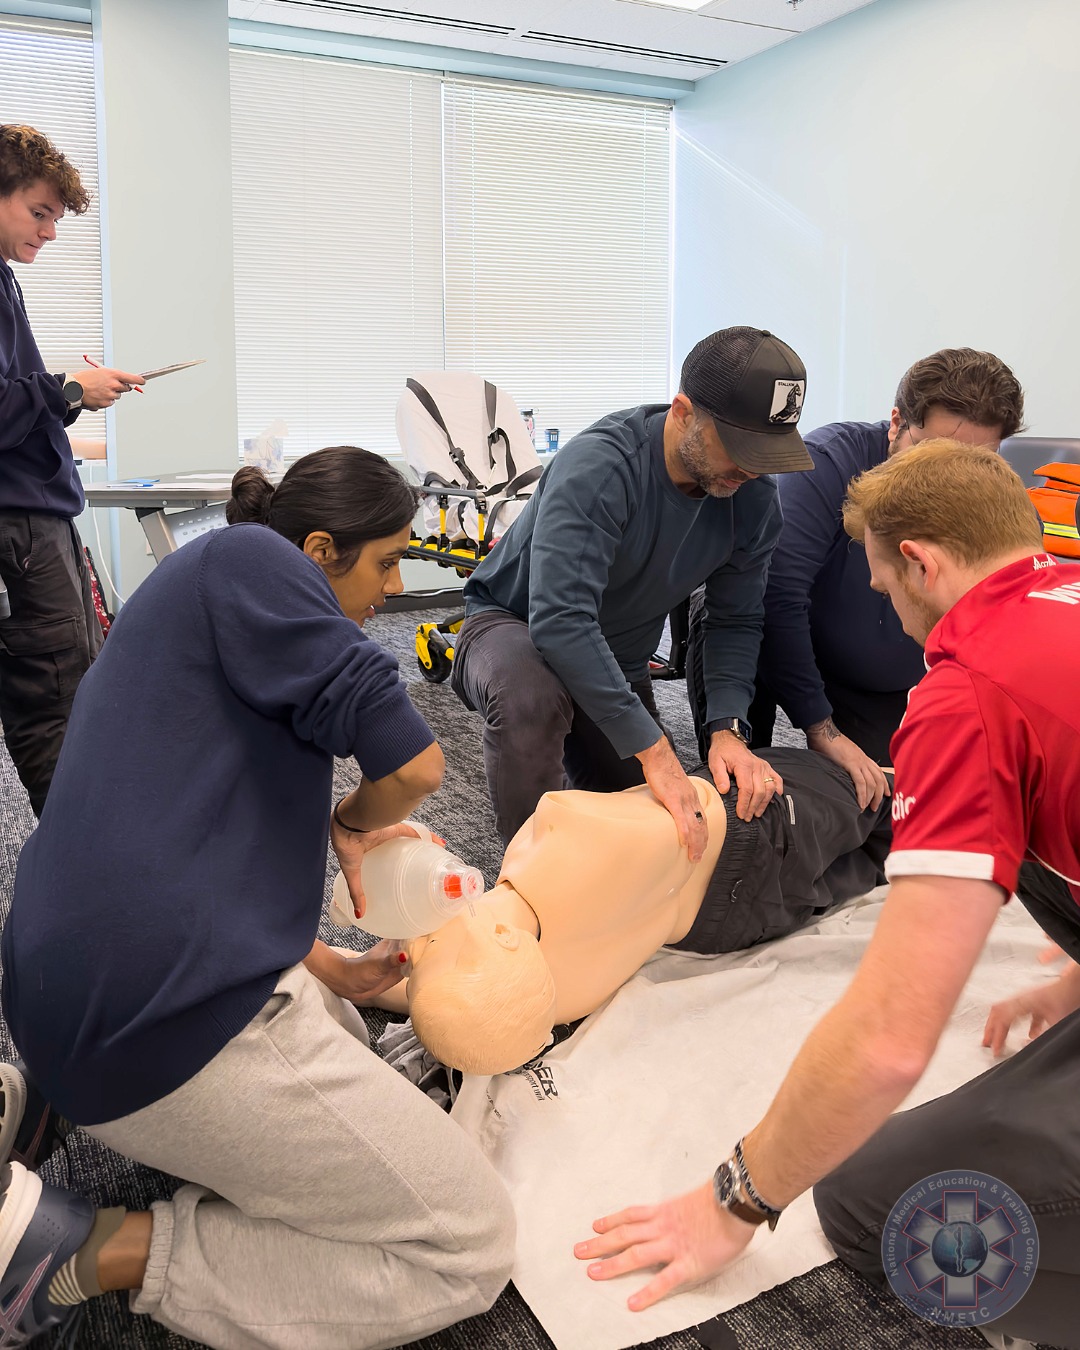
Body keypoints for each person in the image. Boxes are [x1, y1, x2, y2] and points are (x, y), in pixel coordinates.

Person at [0, 447, 514, 1349]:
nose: (394, 590)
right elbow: (418, 763)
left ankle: (53, 1095)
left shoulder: (206, 587)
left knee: (355, 1033)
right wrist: (353, 823)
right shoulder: (259, 563)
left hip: (65, 984)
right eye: (387, 561)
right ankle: (86, 1251)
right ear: (319, 548)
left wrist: (320, 964)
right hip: (143, 1017)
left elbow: (190, 840)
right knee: (470, 1245)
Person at [575, 441, 1080, 1350]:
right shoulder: (1063, 600)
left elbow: (891, 1039)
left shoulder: (969, 691)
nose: (886, 607)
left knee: (873, 1206)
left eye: (885, 586)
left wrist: (734, 1198)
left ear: (921, 560)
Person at [450, 326, 815, 856]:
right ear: (684, 412)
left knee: (650, 830)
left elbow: (734, 619)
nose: (754, 468)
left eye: (769, 452)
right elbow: (561, 622)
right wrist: (656, 750)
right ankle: (530, 883)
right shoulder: (600, 468)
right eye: (741, 448)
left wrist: (727, 727)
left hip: (615, 658)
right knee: (534, 697)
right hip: (513, 626)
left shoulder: (753, 497)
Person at [376, 745, 890, 1076]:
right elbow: (692, 814)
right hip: (759, 834)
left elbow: (430, 1001)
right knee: (874, 795)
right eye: (433, 944)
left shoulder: (554, 1000)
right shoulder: (561, 841)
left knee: (865, 871)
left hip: (721, 929)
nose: (416, 939)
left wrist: (330, 964)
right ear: (507, 941)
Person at [687, 346, 1025, 810]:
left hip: (883, 680)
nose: (955, 477)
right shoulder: (825, 463)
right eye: (935, 452)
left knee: (894, 803)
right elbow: (779, 594)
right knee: (744, 789)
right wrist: (818, 726)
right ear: (896, 424)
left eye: (977, 459)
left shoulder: (995, 494)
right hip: (784, 640)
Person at [0, 123, 144, 816]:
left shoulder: (4, 278)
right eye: (39, 212)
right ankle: (83, 871)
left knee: (75, 686)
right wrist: (65, 391)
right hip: (21, 529)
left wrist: (70, 394)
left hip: (35, 521)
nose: (50, 233)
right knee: (56, 702)